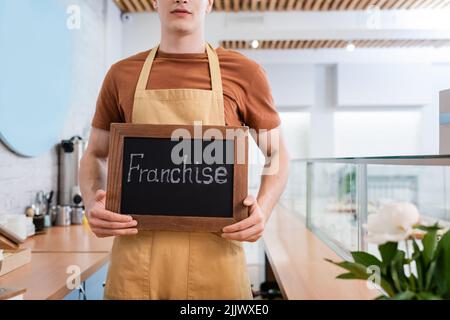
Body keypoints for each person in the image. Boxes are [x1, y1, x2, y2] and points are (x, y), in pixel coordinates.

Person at [79, 0, 290, 300]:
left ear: (209, 3)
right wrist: (91, 202)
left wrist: (263, 211)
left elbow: (277, 154)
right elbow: (95, 153)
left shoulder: (245, 73)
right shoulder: (120, 74)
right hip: (134, 270)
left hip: (216, 271)